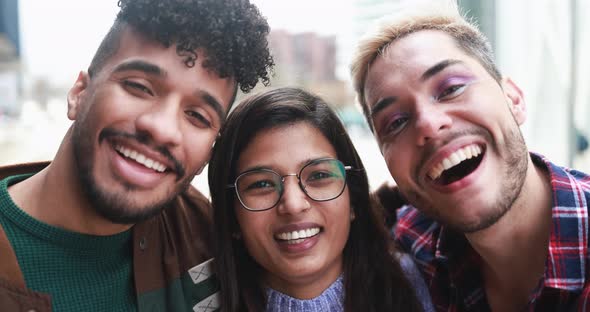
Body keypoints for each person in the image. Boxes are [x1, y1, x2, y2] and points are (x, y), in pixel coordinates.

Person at [0, 0, 274, 311]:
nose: (162, 129)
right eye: (139, 87)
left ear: (209, 152)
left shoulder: (210, 240)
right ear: (79, 93)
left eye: (197, 116)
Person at [350, 0, 590, 310]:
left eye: (451, 88)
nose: (429, 124)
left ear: (513, 99)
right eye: (395, 123)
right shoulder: (409, 245)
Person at [208, 87, 433, 312]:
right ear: (232, 216)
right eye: (262, 184)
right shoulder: (197, 301)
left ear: (353, 198)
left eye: (318, 176)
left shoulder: (416, 281)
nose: (294, 205)